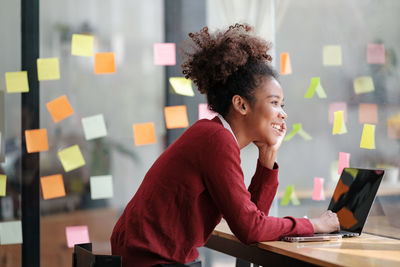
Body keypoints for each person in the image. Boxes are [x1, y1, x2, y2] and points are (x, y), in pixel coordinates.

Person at [111, 23, 340, 267]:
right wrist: (314, 225)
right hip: (152, 262)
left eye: (282, 105)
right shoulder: (215, 141)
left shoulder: (214, 135)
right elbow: (250, 229)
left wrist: (268, 156)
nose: (282, 114)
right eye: (274, 103)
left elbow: (252, 220)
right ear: (241, 105)